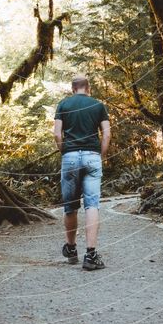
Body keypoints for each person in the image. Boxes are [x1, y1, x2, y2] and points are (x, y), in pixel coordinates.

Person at [53, 74, 111, 270]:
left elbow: (56, 133)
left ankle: (71, 249)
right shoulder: (98, 105)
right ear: (88, 88)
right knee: (92, 205)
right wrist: (101, 155)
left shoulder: (63, 105)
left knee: (70, 206)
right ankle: (91, 255)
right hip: (92, 157)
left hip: (69, 157)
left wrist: (65, 151)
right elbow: (107, 133)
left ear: (72, 89)